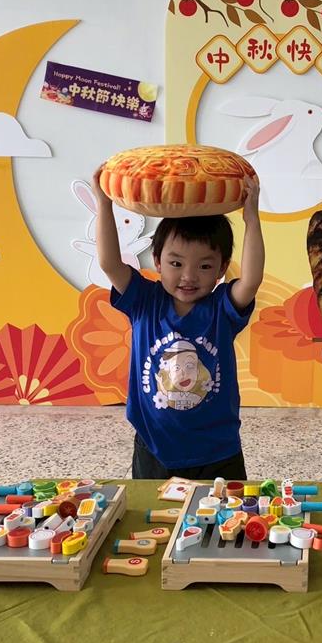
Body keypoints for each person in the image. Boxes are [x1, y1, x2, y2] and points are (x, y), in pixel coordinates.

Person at [91, 166, 264, 481]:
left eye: (204, 266)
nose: (188, 276)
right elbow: (109, 263)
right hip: (155, 448)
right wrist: (104, 204)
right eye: (176, 263)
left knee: (224, 513)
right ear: (157, 261)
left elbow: (251, 281)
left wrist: (251, 219)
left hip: (218, 451)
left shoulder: (221, 309)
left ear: (222, 268)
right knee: (152, 513)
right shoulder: (144, 300)